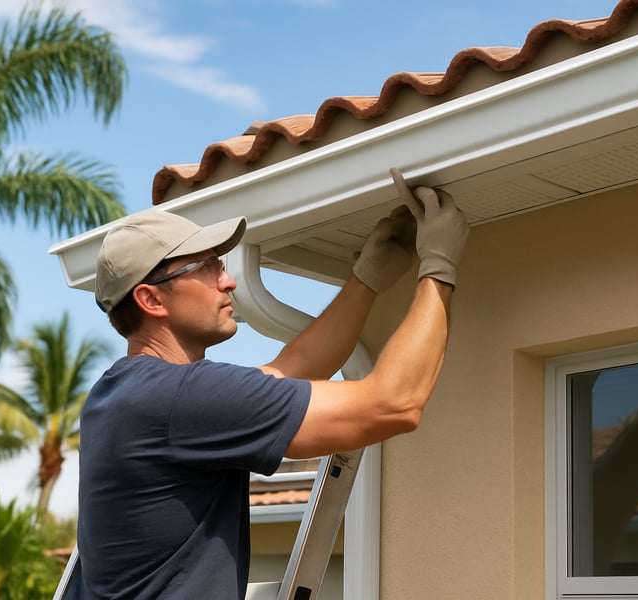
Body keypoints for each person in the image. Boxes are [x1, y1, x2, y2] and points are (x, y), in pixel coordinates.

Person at [76, 168, 470, 598]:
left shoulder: (123, 393)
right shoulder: (176, 398)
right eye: (205, 267)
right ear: (151, 299)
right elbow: (394, 403)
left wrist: (367, 278)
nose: (227, 281)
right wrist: (439, 268)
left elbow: (289, 369)